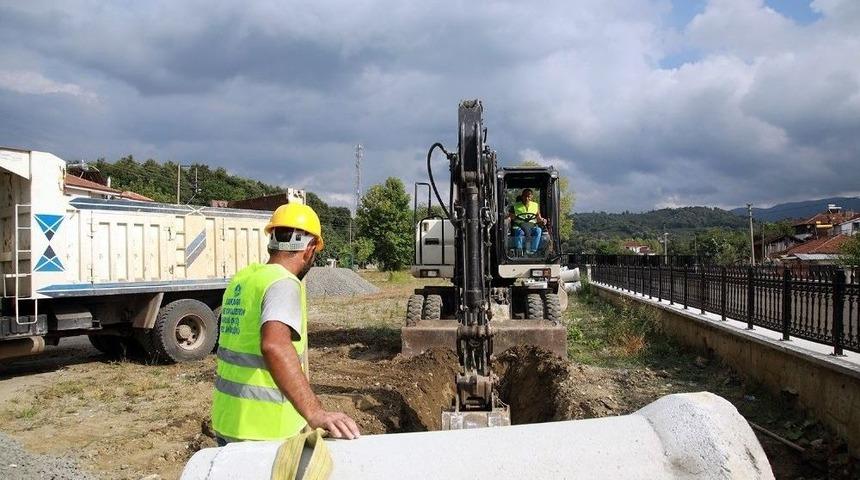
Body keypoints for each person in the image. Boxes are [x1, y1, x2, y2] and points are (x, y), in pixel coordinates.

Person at [211, 203, 361, 445]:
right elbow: (275, 346)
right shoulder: (283, 282)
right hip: (264, 430)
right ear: (310, 249)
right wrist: (315, 412)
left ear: (271, 241)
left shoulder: (244, 279)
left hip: (228, 419)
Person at [510, 189, 546, 254]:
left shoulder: (535, 205)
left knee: (538, 230)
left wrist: (543, 220)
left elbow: (538, 218)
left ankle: (533, 251)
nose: (527, 198)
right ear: (522, 196)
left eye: (528, 196)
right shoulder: (515, 206)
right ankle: (519, 252)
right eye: (525, 196)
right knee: (518, 232)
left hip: (531, 227)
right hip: (520, 227)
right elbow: (511, 217)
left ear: (531, 197)